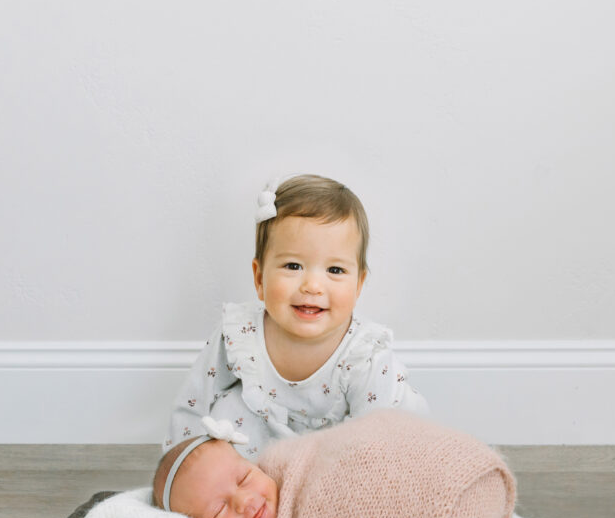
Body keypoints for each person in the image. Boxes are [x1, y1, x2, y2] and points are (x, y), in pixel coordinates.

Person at [162, 174, 427, 460]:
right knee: (226, 410)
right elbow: (193, 405)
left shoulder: (365, 354)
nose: (312, 286)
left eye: (335, 270)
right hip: (270, 437)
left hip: (357, 445)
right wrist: (184, 465)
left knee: (391, 445)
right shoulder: (241, 334)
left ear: (359, 284)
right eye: (293, 265)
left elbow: (376, 438)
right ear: (260, 277)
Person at [153, 410, 516, 518]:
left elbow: (361, 446)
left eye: (245, 477)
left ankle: (447, 473)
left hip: (466, 472)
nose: (245, 501)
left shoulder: (289, 463)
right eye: (218, 510)